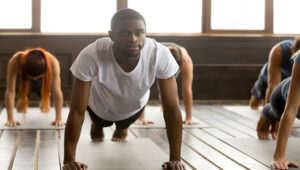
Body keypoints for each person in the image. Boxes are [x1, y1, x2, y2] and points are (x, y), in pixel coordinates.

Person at [63, 8, 185, 170]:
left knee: (122, 127)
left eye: (139, 32)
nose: (133, 39)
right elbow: (77, 111)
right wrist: (68, 160)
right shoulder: (91, 54)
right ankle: (98, 126)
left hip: (133, 109)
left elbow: (171, 109)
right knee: (99, 126)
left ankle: (122, 127)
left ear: (145, 33)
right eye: (124, 33)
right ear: (111, 35)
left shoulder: (159, 54)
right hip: (98, 109)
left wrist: (175, 159)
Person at [135, 42, 198, 125]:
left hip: (176, 59)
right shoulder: (152, 56)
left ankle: (165, 105)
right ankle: (143, 115)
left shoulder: (186, 60)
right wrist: (141, 118)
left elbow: (187, 89)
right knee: (148, 84)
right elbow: (143, 86)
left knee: (168, 87)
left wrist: (188, 118)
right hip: (156, 59)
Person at [256, 51, 300, 169]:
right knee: (274, 113)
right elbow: (290, 109)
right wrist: (279, 157)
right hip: (283, 97)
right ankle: (265, 113)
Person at [4, 48, 64, 127]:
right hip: (24, 79)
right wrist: (10, 119)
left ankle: (44, 97)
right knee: (20, 109)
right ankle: (23, 96)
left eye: (36, 77)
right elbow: (10, 91)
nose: (34, 79)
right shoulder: (15, 61)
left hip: (43, 79)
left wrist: (58, 119)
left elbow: (57, 92)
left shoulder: (53, 62)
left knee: (45, 109)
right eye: (33, 77)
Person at [250, 38, 300, 110]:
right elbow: (272, 86)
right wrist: (267, 113)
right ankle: (256, 95)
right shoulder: (279, 50)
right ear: (292, 49)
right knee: (263, 86)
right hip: (272, 72)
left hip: (290, 75)